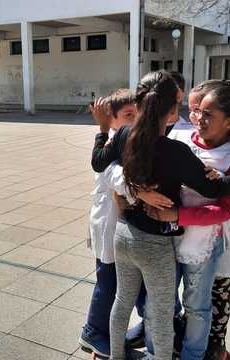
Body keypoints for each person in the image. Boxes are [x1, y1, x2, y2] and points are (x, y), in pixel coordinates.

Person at [91, 71, 230, 360]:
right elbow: (213, 189)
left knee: (122, 300)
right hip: (154, 245)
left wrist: (104, 129)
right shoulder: (176, 150)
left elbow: (98, 163)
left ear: (140, 105)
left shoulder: (125, 134)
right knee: (163, 310)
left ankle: (116, 356)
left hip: (123, 234)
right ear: (171, 110)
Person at [80, 89, 143, 358]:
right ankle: (93, 332)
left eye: (139, 114)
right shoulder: (111, 147)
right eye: (129, 115)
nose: (136, 120)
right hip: (108, 226)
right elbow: (121, 181)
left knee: (123, 283)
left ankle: (118, 331)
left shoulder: (128, 141)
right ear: (113, 119)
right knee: (108, 282)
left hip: (123, 229)